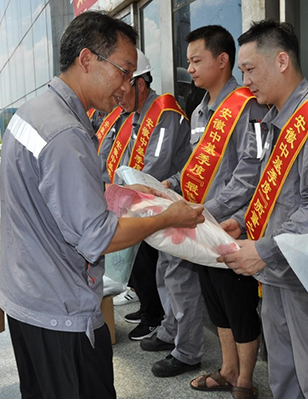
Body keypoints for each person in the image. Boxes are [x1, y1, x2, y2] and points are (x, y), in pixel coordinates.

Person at [0, 11, 204, 399]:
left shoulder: (35, 111)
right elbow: (97, 236)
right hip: (60, 309)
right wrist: (167, 217)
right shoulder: (66, 132)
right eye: (123, 71)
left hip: (27, 295)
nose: (126, 85)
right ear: (88, 59)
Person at [218, 20, 308, 398]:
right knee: (284, 376)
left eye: (249, 69)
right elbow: (272, 195)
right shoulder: (275, 120)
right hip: (277, 272)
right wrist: (242, 222)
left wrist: (262, 249)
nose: (245, 82)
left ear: (281, 61)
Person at [148, 25, 268, 386]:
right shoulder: (199, 111)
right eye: (188, 62)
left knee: (237, 301)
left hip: (231, 225)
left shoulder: (249, 106)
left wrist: (208, 211)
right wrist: (173, 183)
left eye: (197, 60)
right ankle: (228, 369)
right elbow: (195, 162)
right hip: (202, 223)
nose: (191, 69)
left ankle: (245, 379)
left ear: (223, 60)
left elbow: (250, 172)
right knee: (215, 302)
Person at [112, 48, 192, 341]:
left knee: (161, 269)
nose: (118, 97)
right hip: (148, 200)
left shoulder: (164, 112)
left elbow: (154, 168)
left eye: (123, 90)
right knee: (147, 265)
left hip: (166, 200)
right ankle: (152, 312)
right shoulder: (136, 114)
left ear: (140, 84)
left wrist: (127, 194)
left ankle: (157, 319)